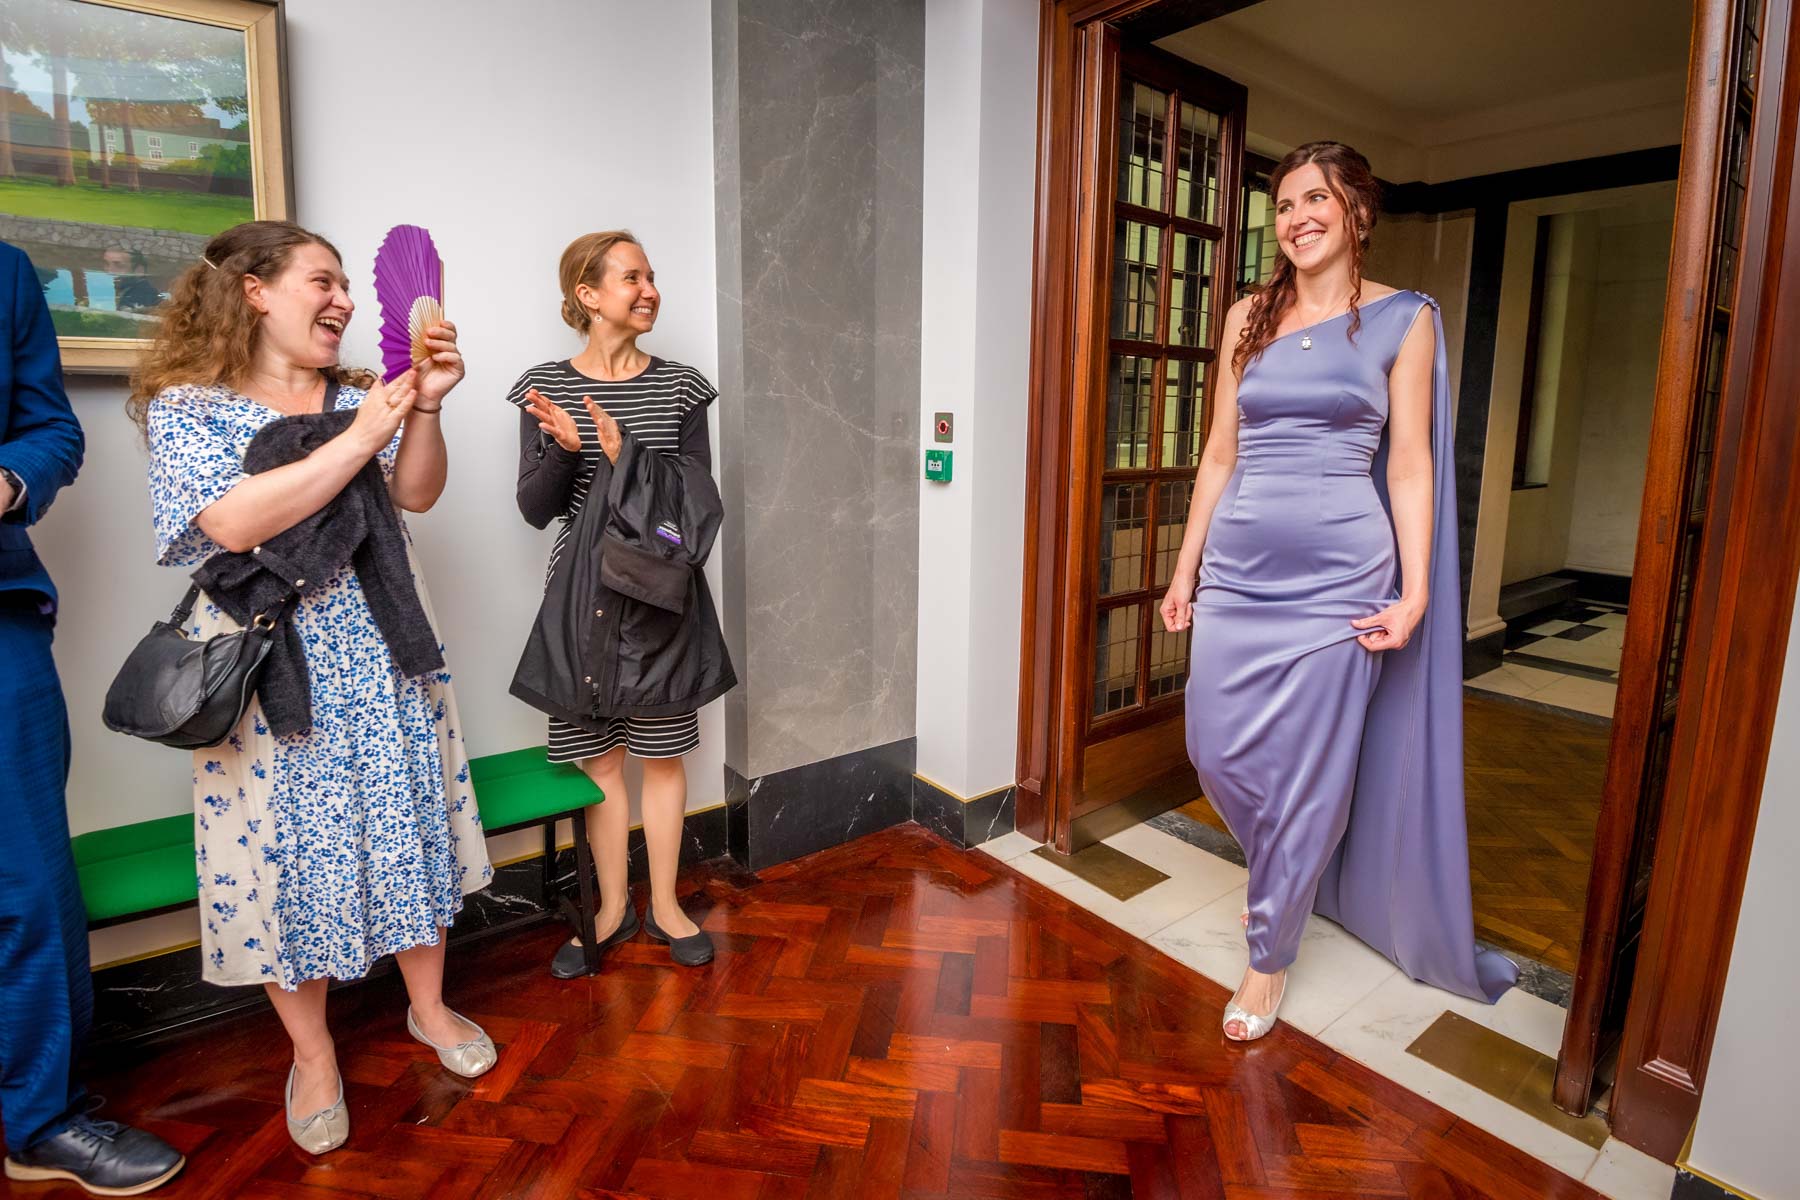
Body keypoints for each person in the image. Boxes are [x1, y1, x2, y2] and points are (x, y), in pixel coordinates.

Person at [129, 220, 497, 1154]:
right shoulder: (191, 409)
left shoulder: (362, 394)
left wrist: (425, 410)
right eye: (320, 282)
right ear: (254, 291)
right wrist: (363, 430)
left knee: (409, 826)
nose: (343, 302)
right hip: (270, 671)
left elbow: (414, 495)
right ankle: (314, 1055)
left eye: (346, 287)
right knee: (283, 859)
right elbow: (234, 522)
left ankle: (429, 1008)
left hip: (384, 653)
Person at [1159, 142, 1517, 1042]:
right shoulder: (1247, 315)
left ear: (1357, 209)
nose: (1296, 218)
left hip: (1340, 583)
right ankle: (1297, 861)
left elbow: (1408, 467)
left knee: (1311, 775)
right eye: (1282, 205)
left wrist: (1419, 588)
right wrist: (1184, 565)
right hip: (1239, 577)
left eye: (1315, 199)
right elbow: (1219, 453)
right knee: (1213, 750)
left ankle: (1267, 959)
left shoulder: (1406, 318)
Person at [0, 240, 185, 1193]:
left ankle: (41, 1120)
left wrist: (8, 481)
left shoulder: (6, 272)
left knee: (30, 885)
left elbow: (48, 428)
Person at [507, 230, 735, 978]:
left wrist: (619, 455)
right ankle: (609, 908)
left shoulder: (680, 388)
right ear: (588, 293)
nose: (649, 290)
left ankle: (666, 905)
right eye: (632, 277)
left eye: (652, 277)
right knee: (597, 761)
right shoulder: (546, 384)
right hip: (579, 601)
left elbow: (692, 511)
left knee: (662, 759)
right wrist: (570, 449)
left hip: (662, 594)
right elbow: (537, 510)